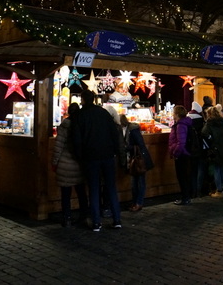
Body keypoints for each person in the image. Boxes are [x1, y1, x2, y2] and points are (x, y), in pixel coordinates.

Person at [71, 90, 122, 231]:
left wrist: (79, 155)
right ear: (93, 99)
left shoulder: (80, 115)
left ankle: (96, 222)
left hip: (90, 157)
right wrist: (116, 151)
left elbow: (77, 139)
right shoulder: (104, 113)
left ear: (82, 99)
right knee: (111, 187)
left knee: (93, 189)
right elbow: (114, 133)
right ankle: (117, 219)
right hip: (107, 155)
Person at [52, 103, 88, 227]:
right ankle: (83, 216)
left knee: (65, 194)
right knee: (81, 192)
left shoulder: (65, 125)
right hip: (79, 164)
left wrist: (55, 162)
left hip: (65, 164)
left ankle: (67, 218)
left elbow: (59, 145)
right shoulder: (83, 124)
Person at [120, 114, 151, 212]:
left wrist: (126, 147)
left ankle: (139, 203)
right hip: (134, 159)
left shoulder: (133, 130)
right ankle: (135, 202)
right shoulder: (127, 130)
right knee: (135, 182)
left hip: (139, 159)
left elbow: (140, 144)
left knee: (140, 182)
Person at [202, 106, 223, 198]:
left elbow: (204, 133)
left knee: (217, 170)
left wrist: (211, 139)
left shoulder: (210, 123)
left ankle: (219, 190)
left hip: (215, 149)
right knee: (222, 169)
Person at [168, 105, 193, 205]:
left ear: (177, 114)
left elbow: (181, 142)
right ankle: (186, 196)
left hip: (182, 154)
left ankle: (185, 198)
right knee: (185, 176)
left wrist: (175, 152)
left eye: (174, 113)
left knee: (182, 176)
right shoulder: (186, 123)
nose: (173, 114)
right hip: (186, 153)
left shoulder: (180, 125)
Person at [188, 102, 207, 198]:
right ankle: (198, 190)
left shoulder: (187, 119)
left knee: (192, 170)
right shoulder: (201, 120)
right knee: (200, 169)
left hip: (190, 148)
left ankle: (192, 191)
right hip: (201, 148)